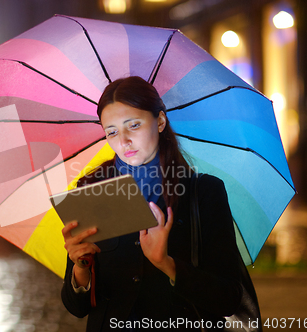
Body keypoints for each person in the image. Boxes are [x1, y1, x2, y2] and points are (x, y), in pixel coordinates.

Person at [61, 76, 245, 331]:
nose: (123, 140)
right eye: (111, 131)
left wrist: (166, 264)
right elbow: (76, 307)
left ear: (159, 121)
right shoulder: (91, 189)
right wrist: (80, 267)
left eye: (133, 125)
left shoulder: (203, 192)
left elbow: (229, 299)